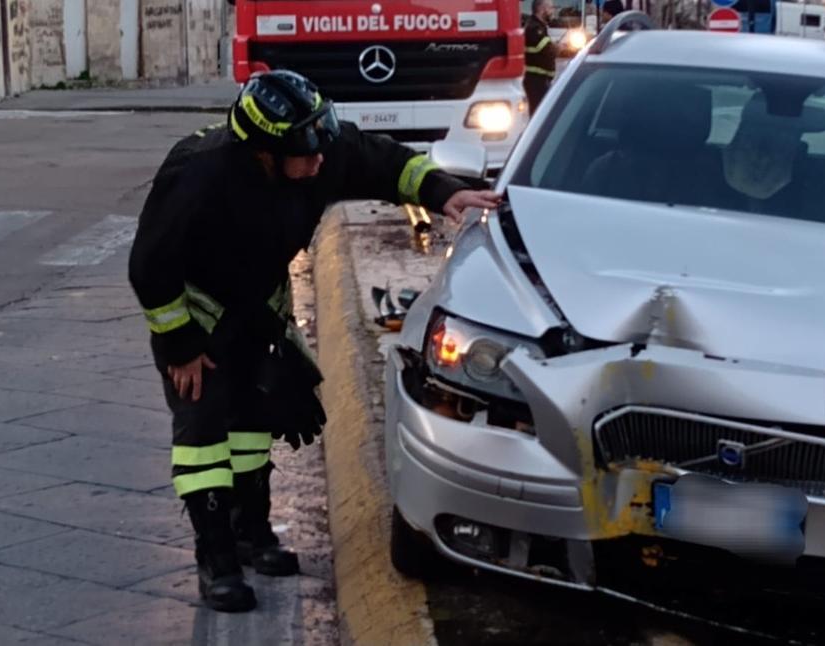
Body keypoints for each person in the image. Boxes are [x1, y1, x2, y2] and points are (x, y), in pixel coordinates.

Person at [128, 70, 501, 613]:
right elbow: (149, 266)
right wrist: (179, 346)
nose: (321, 161)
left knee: (254, 423)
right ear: (264, 154)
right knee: (204, 432)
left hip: (258, 309)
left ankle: (252, 533)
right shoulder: (199, 173)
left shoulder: (316, 150)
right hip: (199, 318)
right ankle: (217, 560)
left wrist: (445, 191)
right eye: (306, 153)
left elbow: (382, 160)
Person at [523, 0, 558, 114]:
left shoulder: (539, 26)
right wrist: (559, 47)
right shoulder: (535, 28)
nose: (553, 11)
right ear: (542, 9)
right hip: (536, 80)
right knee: (539, 113)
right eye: (551, 8)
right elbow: (548, 51)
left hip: (540, 79)